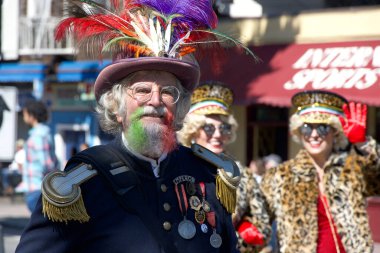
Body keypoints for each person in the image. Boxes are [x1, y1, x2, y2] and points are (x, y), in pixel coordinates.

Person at [16, 1, 243, 252]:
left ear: (179, 108)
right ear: (117, 107)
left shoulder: (209, 176)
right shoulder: (84, 184)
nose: (155, 101)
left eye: (168, 92)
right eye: (142, 90)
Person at [260, 90, 380, 253]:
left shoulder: (353, 170)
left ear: (335, 131)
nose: (314, 135)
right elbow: (256, 222)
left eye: (323, 128)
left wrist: (363, 145)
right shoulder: (280, 177)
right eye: (307, 128)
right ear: (298, 131)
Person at [177, 82, 271, 252]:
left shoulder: (242, 174)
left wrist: (230, 240)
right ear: (193, 130)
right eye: (209, 128)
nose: (218, 134)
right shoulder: (175, 167)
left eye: (224, 128)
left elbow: (262, 228)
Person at [19, 100, 58, 212]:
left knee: (40, 227)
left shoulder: (38, 135)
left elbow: (47, 164)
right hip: (40, 189)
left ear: (32, 116)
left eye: (25, 114)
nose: (24, 117)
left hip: (38, 188)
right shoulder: (42, 134)